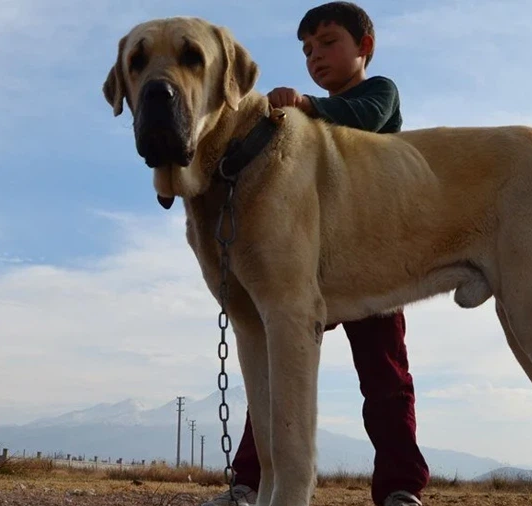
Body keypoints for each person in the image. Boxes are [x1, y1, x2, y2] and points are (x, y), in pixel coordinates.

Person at [203, 3, 429, 506]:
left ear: (364, 47)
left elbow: (363, 118)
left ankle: (400, 488)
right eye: (307, 49)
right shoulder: (304, 120)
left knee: (387, 379)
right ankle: (249, 480)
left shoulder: (378, 93)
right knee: (274, 373)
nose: (316, 55)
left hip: (374, 263)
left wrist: (305, 105)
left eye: (328, 43)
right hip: (307, 259)